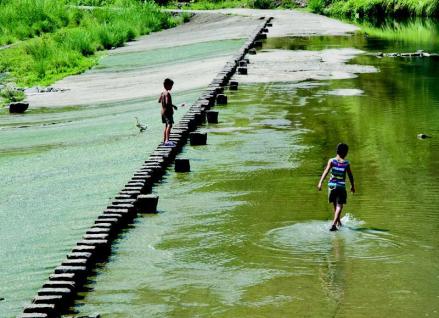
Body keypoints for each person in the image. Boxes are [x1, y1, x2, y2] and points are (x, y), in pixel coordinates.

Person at [317, 143, 355, 231]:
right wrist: (353, 186)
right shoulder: (346, 163)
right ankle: (334, 223)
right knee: (340, 206)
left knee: (335, 204)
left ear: (337, 151)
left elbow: (326, 171)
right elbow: (350, 176)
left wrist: (320, 182)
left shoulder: (331, 161)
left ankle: (338, 222)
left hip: (331, 185)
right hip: (341, 186)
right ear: (345, 153)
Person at [158, 78, 178, 146]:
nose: (171, 87)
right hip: (167, 112)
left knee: (166, 125)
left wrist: (163, 100)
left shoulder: (162, 93)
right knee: (170, 125)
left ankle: (164, 140)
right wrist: (173, 106)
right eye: (171, 85)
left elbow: (159, 101)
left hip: (162, 112)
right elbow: (167, 103)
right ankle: (167, 140)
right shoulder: (167, 93)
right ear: (167, 85)